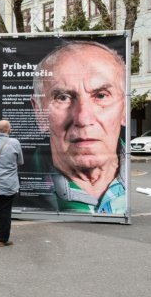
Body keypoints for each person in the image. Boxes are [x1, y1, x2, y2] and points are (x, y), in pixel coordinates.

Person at [30, 40, 127, 214]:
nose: (83, 118)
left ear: (125, 109)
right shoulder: (24, 181)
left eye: (101, 95)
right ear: (39, 112)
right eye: (63, 97)